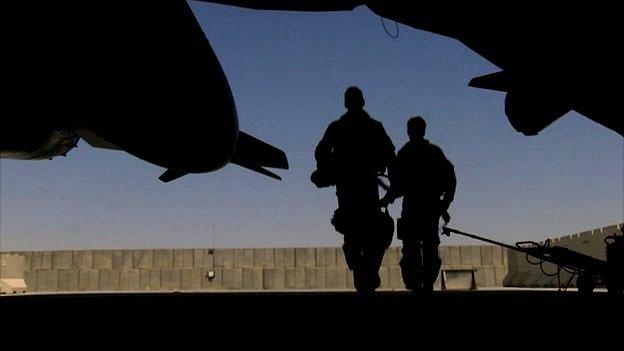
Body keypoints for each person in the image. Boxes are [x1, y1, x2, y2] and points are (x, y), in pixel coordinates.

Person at [313, 86, 395, 294]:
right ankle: (366, 270)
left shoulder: (337, 127)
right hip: (366, 188)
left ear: (346, 103)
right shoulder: (374, 127)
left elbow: (321, 151)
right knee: (370, 232)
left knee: (353, 234)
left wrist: (327, 170)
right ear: (362, 102)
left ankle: (362, 270)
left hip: (348, 188)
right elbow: (390, 154)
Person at [381, 116, 456, 293]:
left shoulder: (405, 153)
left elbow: (396, 185)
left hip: (413, 207)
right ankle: (427, 284)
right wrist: (444, 204)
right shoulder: (435, 152)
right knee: (429, 248)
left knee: (412, 248)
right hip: (431, 208)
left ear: (409, 132)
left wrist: (385, 200)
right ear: (424, 130)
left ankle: (416, 284)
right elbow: (450, 179)